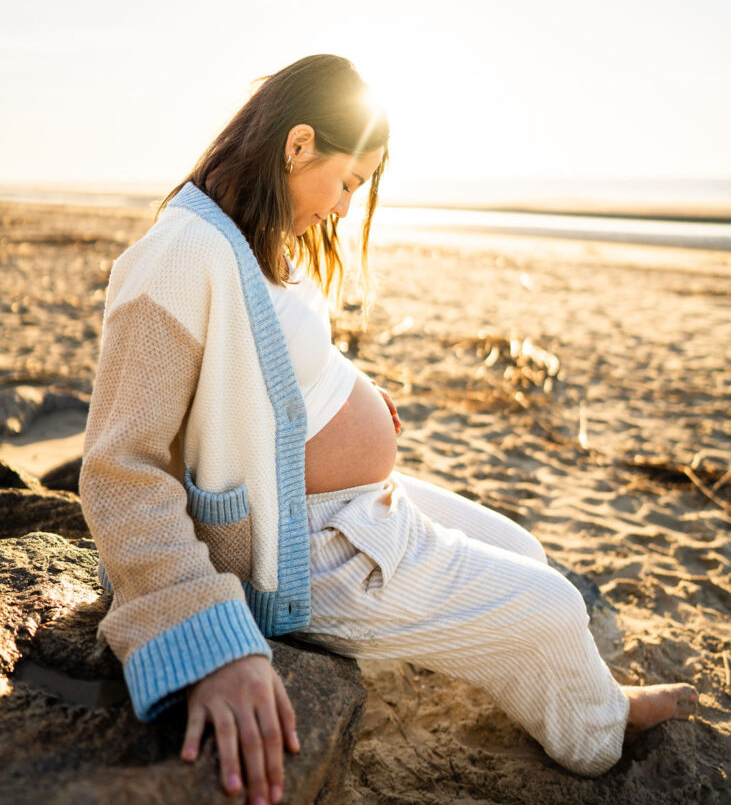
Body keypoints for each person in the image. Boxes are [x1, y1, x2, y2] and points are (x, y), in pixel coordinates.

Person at [80, 54, 697, 804]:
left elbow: (269, 361)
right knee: (553, 612)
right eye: (347, 182)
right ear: (298, 143)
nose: (343, 208)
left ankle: (536, 673)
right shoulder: (177, 257)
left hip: (360, 504)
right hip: (306, 545)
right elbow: (121, 467)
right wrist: (212, 646)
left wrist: (352, 392)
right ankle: (602, 735)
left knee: (524, 550)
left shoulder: (257, 235)